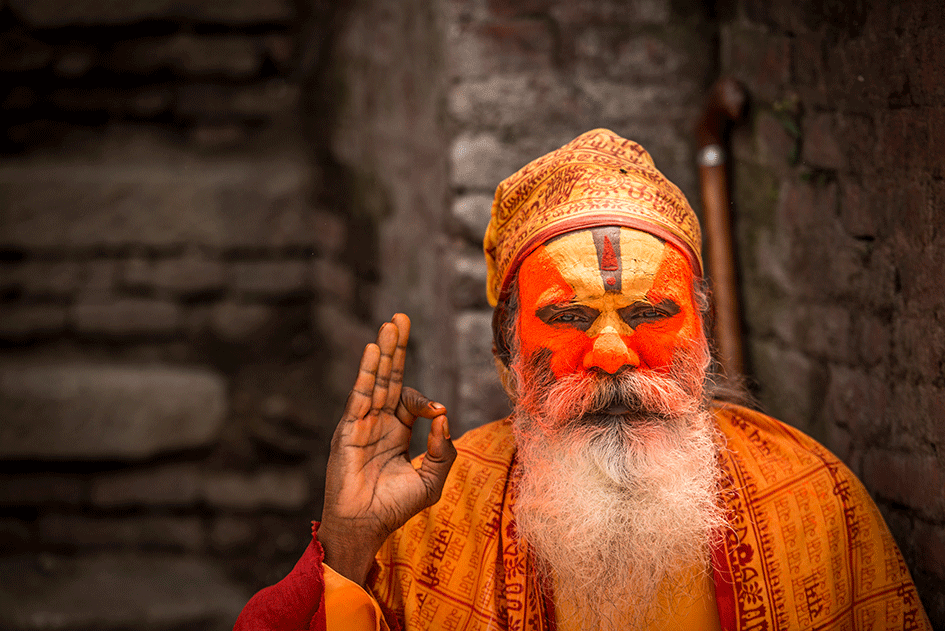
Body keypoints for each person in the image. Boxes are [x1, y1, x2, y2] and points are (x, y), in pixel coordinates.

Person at [234, 129, 931, 630]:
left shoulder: (812, 501)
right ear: (507, 365)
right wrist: (351, 546)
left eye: (652, 312)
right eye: (566, 316)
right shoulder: (429, 525)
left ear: (703, 344)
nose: (609, 353)